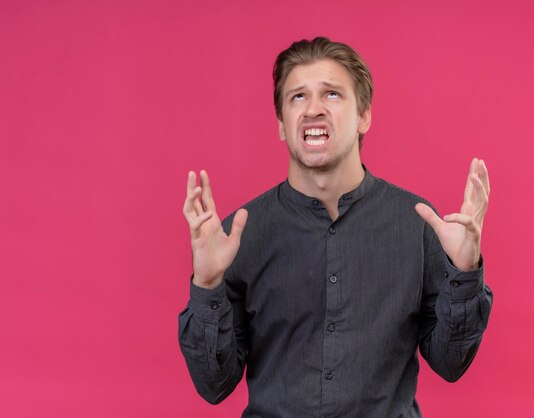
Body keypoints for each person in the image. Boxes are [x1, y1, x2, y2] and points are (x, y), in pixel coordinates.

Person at [179, 37, 493, 418]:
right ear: (281, 125)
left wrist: (464, 274)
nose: (313, 109)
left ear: (364, 116)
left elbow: (450, 363)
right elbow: (214, 386)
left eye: (331, 94)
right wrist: (207, 285)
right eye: (297, 97)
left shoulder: (418, 225)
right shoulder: (238, 236)